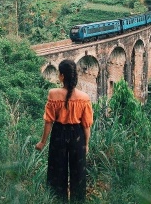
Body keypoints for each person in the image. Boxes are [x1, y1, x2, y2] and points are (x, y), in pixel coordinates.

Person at [35, 59, 93, 203]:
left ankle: (57, 200)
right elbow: (86, 125)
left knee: (56, 171)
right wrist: (86, 144)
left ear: (61, 76)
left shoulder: (53, 94)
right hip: (77, 135)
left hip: (58, 134)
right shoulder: (84, 98)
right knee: (78, 172)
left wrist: (42, 142)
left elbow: (49, 121)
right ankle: (77, 200)